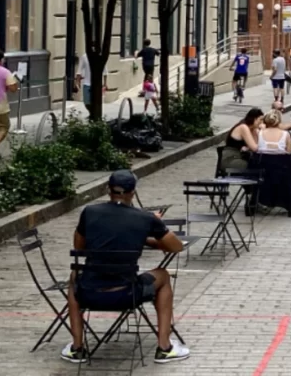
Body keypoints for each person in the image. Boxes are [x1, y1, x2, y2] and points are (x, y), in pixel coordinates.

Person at [63, 170, 190, 364]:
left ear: (108, 190)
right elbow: (176, 246)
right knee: (163, 275)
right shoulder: (145, 218)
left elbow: (79, 246)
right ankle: (164, 346)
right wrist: (152, 230)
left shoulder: (89, 212)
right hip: (126, 294)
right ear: (133, 192)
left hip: (89, 293)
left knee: (74, 276)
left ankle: (77, 348)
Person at [220, 108, 263, 174]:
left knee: (260, 164)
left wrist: (258, 132)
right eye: (260, 119)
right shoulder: (243, 127)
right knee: (257, 166)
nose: (262, 122)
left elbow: (257, 144)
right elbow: (255, 148)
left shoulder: (253, 129)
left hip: (241, 157)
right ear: (254, 119)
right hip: (231, 159)